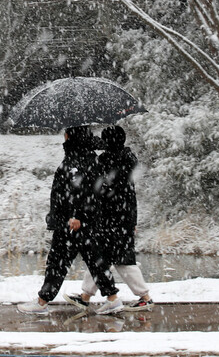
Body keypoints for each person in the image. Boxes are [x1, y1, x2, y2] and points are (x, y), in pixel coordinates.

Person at [17, 125, 123, 315]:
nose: (63, 136)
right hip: (80, 222)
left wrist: (76, 216)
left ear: (72, 136)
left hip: (72, 223)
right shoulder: (86, 158)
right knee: (95, 261)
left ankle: (42, 302)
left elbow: (80, 192)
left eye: (66, 133)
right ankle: (112, 298)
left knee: (57, 262)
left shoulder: (78, 160)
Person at [65, 124, 154, 312]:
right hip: (122, 217)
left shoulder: (109, 161)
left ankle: (144, 297)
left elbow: (100, 189)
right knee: (100, 259)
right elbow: (128, 195)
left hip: (111, 218)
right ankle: (85, 296)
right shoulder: (127, 159)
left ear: (109, 141)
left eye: (104, 139)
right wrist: (132, 221)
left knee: (121, 261)